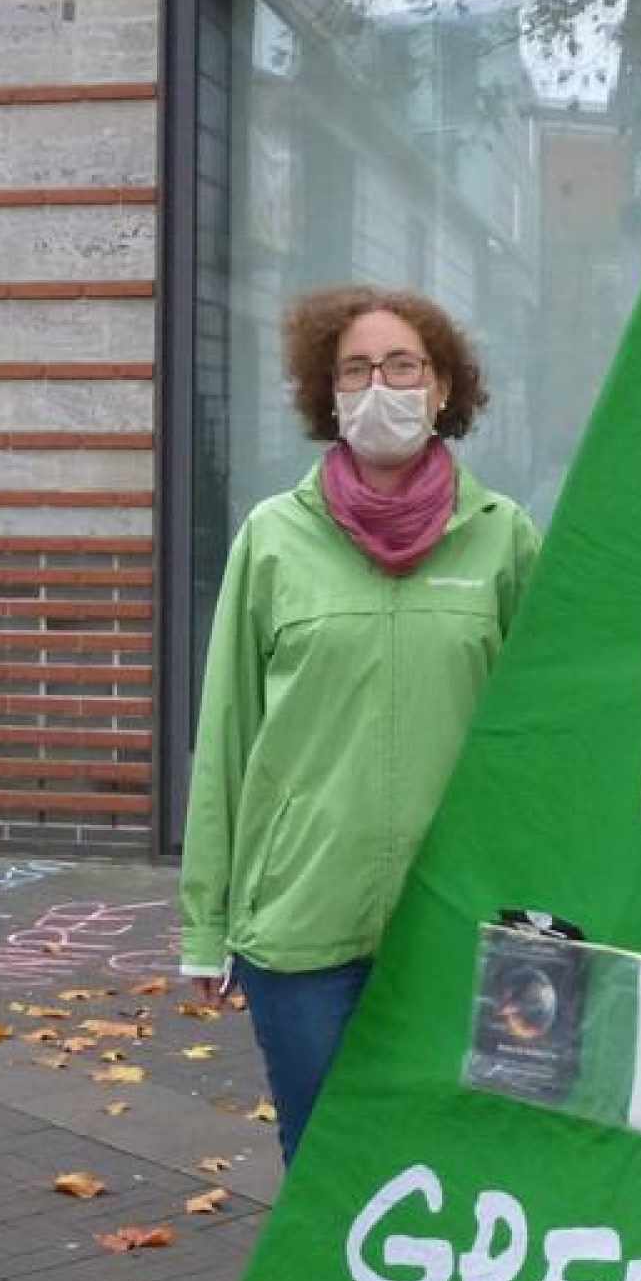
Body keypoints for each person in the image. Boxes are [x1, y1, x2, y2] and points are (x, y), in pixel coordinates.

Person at [176, 286, 542, 1163]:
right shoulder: (272, 538)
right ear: (328, 393)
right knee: (325, 1167)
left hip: (457, 921)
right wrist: (204, 923)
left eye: (403, 366)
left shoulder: (503, 539)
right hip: (302, 923)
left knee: (448, 1165)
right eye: (357, 369)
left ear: (442, 387)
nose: (381, 386)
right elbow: (227, 736)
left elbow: (538, 743)